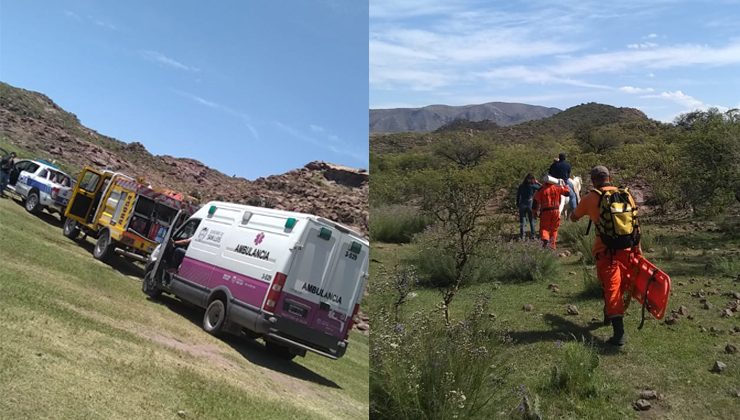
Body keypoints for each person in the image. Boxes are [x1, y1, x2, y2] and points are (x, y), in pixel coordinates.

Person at [570, 165, 639, 346]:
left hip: (605, 251)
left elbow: (574, 217)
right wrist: (638, 249)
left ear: (593, 180)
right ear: (610, 177)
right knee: (619, 285)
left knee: (611, 288)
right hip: (627, 248)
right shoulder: (626, 195)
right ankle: (608, 315)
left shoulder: (590, 197)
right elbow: (635, 223)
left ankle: (619, 334)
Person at [532, 175, 570, 249]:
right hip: (556, 211)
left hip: (545, 212)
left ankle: (545, 239)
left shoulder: (541, 190)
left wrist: (534, 212)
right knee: (554, 229)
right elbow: (567, 193)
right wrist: (564, 185)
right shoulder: (557, 188)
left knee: (544, 228)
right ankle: (552, 246)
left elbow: (535, 202)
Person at [515, 173, 541, 240]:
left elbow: (518, 196)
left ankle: (522, 236)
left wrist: (518, 204)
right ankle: (533, 236)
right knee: (531, 221)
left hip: (522, 204)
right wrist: (538, 183)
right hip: (530, 204)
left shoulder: (521, 186)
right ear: (532, 179)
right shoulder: (533, 186)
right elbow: (542, 188)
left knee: (522, 221)